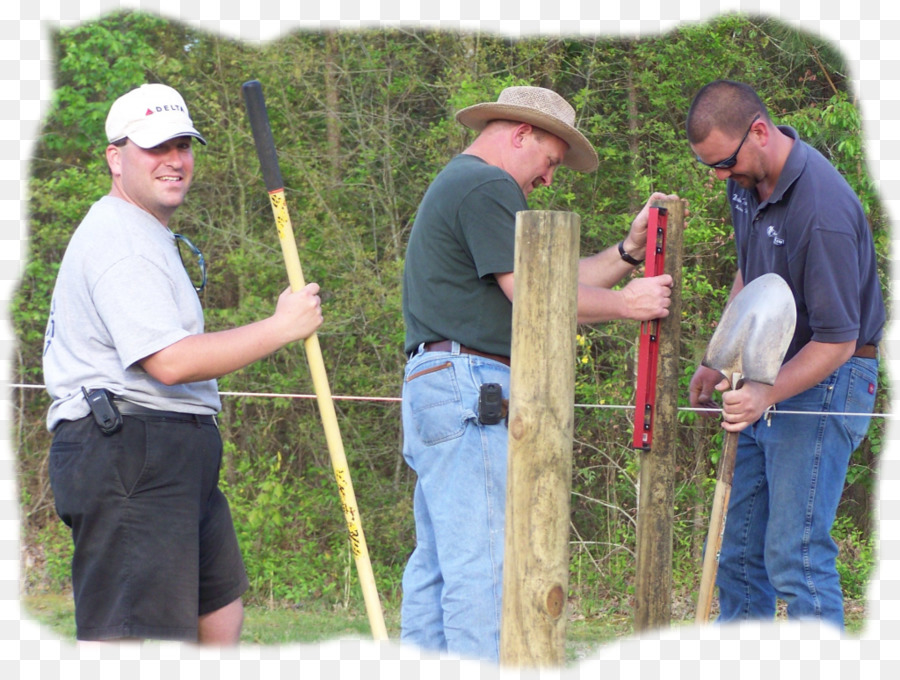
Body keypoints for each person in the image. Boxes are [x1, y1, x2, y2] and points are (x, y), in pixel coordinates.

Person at [400, 85, 675, 661]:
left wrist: (626, 253)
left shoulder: (465, 184)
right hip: (469, 385)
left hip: (441, 383)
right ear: (520, 134)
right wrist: (630, 305)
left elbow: (550, 273)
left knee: (437, 568)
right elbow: (534, 293)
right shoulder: (487, 185)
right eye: (550, 160)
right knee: (484, 566)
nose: (549, 178)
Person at [42, 83, 324, 644]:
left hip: (172, 448)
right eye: (155, 147)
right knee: (138, 640)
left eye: (182, 144)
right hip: (128, 448)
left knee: (217, 621)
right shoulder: (119, 238)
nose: (174, 160)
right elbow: (168, 362)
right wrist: (280, 327)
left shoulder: (147, 234)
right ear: (115, 158)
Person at [685, 80, 884, 630]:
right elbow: (751, 271)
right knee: (741, 557)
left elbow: (839, 340)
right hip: (762, 372)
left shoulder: (823, 211)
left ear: (760, 131)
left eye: (724, 163)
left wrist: (766, 392)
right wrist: (718, 355)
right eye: (711, 167)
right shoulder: (746, 183)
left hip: (829, 376)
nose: (720, 177)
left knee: (793, 557)